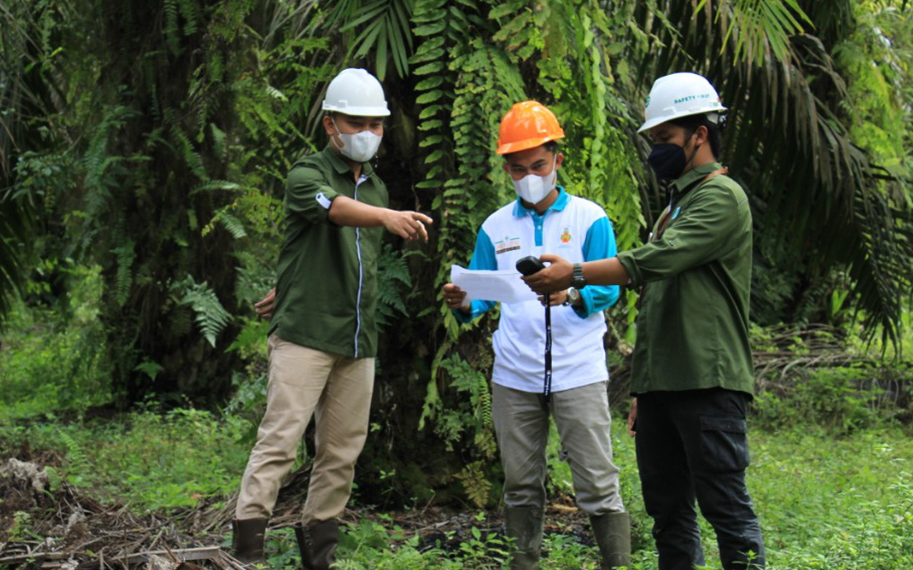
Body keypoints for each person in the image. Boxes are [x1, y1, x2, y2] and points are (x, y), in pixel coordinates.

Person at [524, 72, 766, 570]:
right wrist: (643, 388)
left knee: (726, 509)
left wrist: (573, 271)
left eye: (665, 139)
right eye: (655, 140)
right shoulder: (676, 205)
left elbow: (654, 262)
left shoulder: (721, 198)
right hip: (663, 385)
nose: (658, 150)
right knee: (667, 513)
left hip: (707, 379)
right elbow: (657, 303)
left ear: (700, 133)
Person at [230, 68, 433, 570]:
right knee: (278, 442)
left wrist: (293, 279)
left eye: (376, 124)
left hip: (358, 338)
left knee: (341, 454)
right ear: (329, 124)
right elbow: (334, 212)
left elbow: (339, 255)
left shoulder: (380, 188)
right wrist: (385, 218)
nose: (367, 132)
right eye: (355, 121)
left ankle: (319, 556)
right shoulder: (307, 175)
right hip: (305, 337)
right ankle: (246, 555)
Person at [441, 101, 631, 570]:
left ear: (557, 161)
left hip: (578, 368)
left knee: (596, 479)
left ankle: (619, 562)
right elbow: (483, 291)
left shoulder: (590, 218)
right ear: (505, 169)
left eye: (539, 166)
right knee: (521, 482)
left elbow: (609, 285)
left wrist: (572, 293)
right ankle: (523, 563)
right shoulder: (495, 226)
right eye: (518, 168)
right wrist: (464, 301)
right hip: (515, 372)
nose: (529, 176)